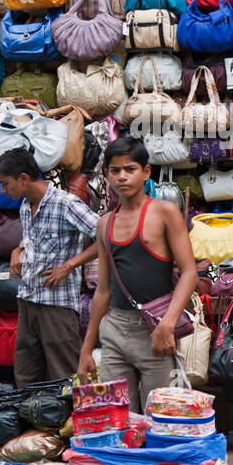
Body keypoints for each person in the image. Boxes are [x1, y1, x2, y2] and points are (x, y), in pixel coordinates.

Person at [77, 137, 198, 413]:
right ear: (106, 174)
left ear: (146, 172)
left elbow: (189, 272)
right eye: (115, 170)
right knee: (118, 418)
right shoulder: (105, 223)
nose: (122, 177)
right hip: (115, 330)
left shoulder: (165, 212)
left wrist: (167, 325)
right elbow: (104, 290)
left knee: (160, 418)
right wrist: (86, 349)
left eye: (130, 169)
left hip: (155, 328)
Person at [0, 149, 98, 387]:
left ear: (23, 178)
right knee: (26, 374)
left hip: (57, 305)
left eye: (4, 184)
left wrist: (70, 265)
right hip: (27, 299)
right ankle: (33, 421)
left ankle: (73, 423)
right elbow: (34, 239)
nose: (2, 191)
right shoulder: (25, 206)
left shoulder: (66, 203)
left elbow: (105, 235)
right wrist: (17, 250)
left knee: (66, 375)